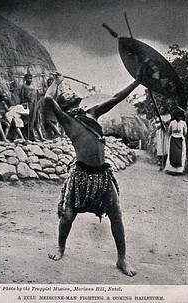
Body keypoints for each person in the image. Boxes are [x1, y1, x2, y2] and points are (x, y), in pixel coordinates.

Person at [46, 69, 143, 277]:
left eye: (71, 90)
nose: (70, 92)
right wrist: (56, 81)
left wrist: (137, 81)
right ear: (63, 103)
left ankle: (121, 259)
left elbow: (117, 98)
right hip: (80, 175)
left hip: (102, 176)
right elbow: (47, 98)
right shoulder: (65, 119)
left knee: (116, 215)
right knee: (67, 216)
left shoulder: (92, 113)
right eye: (66, 92)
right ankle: (60, 248)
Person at [164, 108, 187, 175]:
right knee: (172, 153)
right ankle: (171, 169)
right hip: (173, 139)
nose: (178, 118)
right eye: (177, 116)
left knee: (181, 154)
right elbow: (169, 131)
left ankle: (179, 170)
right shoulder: (172, 123)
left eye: (180, 117)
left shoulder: (183, 123)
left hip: (180, 140)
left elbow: (185, 132)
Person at [20, 73, 38, 141]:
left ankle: (32, 137)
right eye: (28, 78)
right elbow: (21, 96)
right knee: (26, 120)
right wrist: (23, 103)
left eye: (30, 78)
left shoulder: (33, 87)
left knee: (32, 119)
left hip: (33, 104)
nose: (30, 80)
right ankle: (27, 136)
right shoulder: (24, 86)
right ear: (25, 79)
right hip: (27, 104)